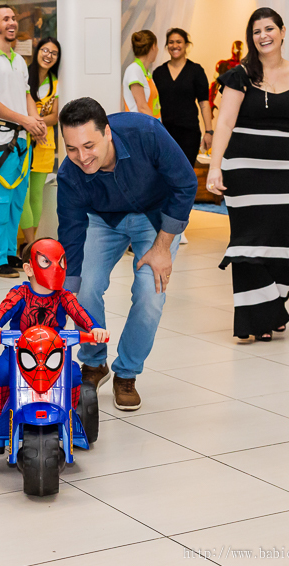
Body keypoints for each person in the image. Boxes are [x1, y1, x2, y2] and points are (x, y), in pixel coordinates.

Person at [56, 98, 196, 410]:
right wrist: (64, 294)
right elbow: (71, 234)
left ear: (106, 132)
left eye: (89, 145)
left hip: (154, 218)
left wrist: (162, 248)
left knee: (150, 292)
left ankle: (127, 373)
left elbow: (186, 185)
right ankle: (93, 362)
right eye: (72, 149)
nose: (82, 157)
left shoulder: (145, 132)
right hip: (102, 219)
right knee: (83, 288)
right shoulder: (70, 174)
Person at [206, 8, 289, 341]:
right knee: (249, 243)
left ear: (282, 31)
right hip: (243, 171)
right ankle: (256, 321)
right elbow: (225, 123)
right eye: (257, 31)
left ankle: (270, 309)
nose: (264, 35)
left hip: (282, 171)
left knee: (285, 241)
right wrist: (215, 165)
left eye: (269, 28)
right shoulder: (240, 75)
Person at [0, 238, 109, 427]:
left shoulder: (64, 296)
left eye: (60, 262)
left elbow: (79, 312)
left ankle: (69, 414)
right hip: (19, 351)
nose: (55, 268)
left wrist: (94, 327)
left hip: (54, 352)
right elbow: (3, 310)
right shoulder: (20, 293)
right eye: (46, 262)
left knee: (73, 374)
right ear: (29, 269)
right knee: (0, 372)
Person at [0, 4, 47, 278]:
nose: (12, 22)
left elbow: (27, 93)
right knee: (0, 200)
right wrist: (23, 120)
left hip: (22, 139)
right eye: (6, 18)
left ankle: (8, 253)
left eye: (14, 18)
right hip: (1, 139)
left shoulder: (17, 60)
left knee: (17, 199)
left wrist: (35, 121)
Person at [21, 37, 60, 249]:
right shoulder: (24, 76)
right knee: (23, 195)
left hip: (45, 143)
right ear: (37, 52)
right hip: (23, 142)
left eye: (53, 53)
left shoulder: (56, 82)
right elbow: (19, 110)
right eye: (45, 50)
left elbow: (55, 117)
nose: (48, 55)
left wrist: (35, 123)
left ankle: (30, 243)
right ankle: (30, 244)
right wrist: (33, 124)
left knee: (36, 195)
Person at [152, 28, 212, 167]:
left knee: (186, 173)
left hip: (189, 133)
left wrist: (209, 132)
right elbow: (153, 104)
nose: (175, 45)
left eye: (179, 42)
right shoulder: (158, 73)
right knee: (166, 174)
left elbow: (204, 103)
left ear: (186, 45)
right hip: (164, 134)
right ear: (167, 46)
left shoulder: (196, 71)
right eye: (171, 42)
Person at [123, 30, 160, 118]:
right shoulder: (134, 70)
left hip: (147, 126)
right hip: (140, 127)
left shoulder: (146, 73)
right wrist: (156, 128)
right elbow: (142, 107)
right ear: (153, 47)